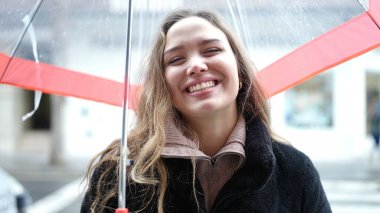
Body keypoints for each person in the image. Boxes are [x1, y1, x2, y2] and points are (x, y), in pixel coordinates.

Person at [81, 9, 331, 213]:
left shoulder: (296, 172)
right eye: (176, 59)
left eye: (211, 50)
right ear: (163, 86)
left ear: (240, 73)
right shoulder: (119, 173)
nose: (196, 66)